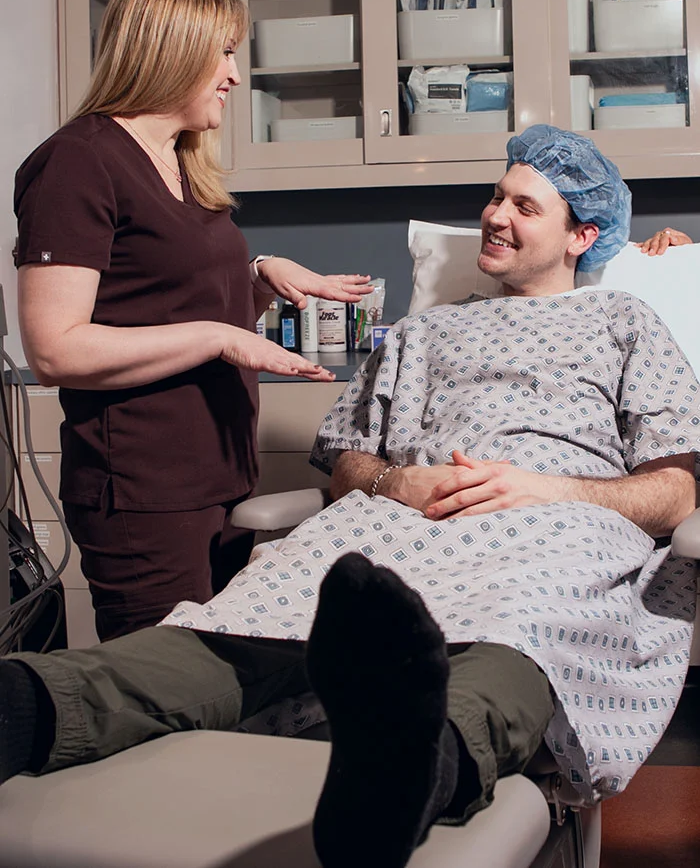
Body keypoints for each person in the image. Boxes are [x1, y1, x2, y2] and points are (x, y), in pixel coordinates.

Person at [2, 125, 699, 868]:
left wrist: (544, 489)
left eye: (525, 207)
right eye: (497, 196)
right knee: (248, 623)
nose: (495, 215)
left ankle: (407, 774)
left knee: (516, 638)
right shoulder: (422, 332)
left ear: (580, 234)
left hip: (553, 538)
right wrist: (396, 481)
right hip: (395, 528)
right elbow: (345, 465)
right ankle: (31, 703)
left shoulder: (623, 323)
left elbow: (675, 488)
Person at [13, 0, 373, 642]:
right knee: (167, 702)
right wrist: (220, 337)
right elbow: (56, 347)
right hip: (145, 493)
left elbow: (161, 301)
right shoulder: (77, 163)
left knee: (222, 692)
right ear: (171, 47)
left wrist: (260, 279)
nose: (235, 75)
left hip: (218, 479)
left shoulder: (179, 163)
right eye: (226, 51)